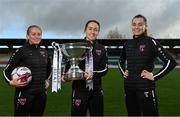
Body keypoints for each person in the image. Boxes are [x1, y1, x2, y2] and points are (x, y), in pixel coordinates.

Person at [118, 14, 177, 116]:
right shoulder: (127, 44)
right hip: (129, 88)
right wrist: (124, 72)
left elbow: (170, 62)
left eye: (140, 24)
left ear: (145, 27)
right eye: (134, 24)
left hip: (145, 88)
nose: (136, 27)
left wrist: (154, 76)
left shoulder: (151, 42)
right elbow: (120, 62)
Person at [62, 20, 108, 116]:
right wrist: (65, 76)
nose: (92, 32)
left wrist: (93, 74)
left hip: (96, 90)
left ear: (98, 32)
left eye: (95, 30)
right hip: (79, 90)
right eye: (90, 29)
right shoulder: (77, 46)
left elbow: (104, 69)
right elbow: (68, 67)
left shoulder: (102, 48)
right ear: (85, 30)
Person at [3, 25, 51, 116]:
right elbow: (6, 71)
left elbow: (49, 70)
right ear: (27, 36)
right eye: (33, 34)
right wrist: (11, 82)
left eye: (39, 34)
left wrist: (47, 79)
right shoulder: (21, 51)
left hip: (41, 94)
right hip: (24, 94)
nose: (37, 37)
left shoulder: (45, 52)